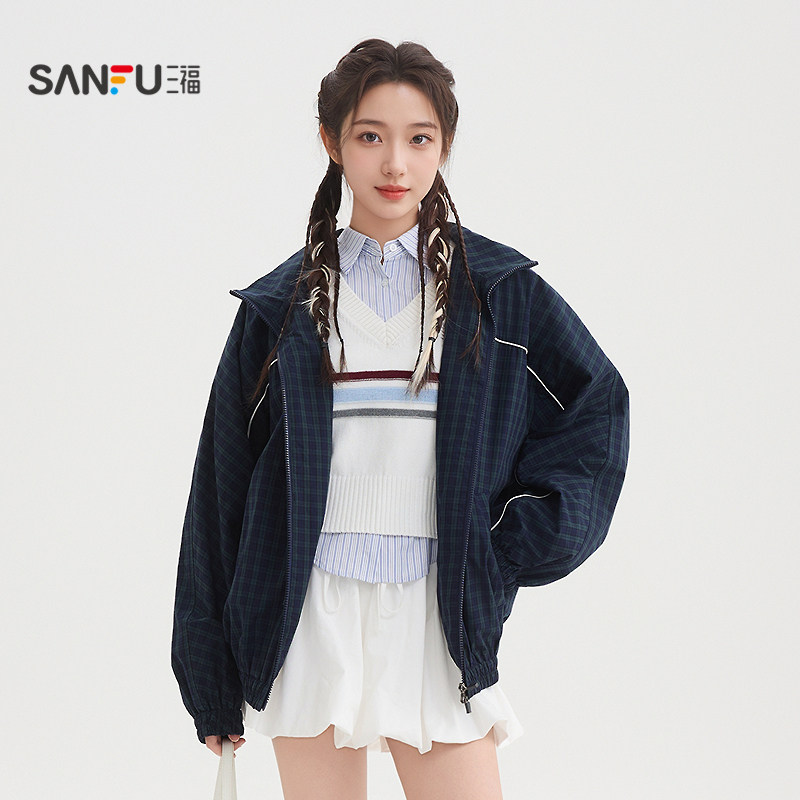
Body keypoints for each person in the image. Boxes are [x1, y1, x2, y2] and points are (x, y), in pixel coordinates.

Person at [171, 37, 630, 800]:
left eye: (419, 139)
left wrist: (510, 540)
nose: (395, 164)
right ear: (332, 143)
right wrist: (209, 678)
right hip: (305, 613)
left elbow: (596, 408)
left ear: (443, 146)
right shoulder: (280, 308)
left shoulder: (498, 293)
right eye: (369, 136)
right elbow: (218, 497)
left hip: (436, 611)